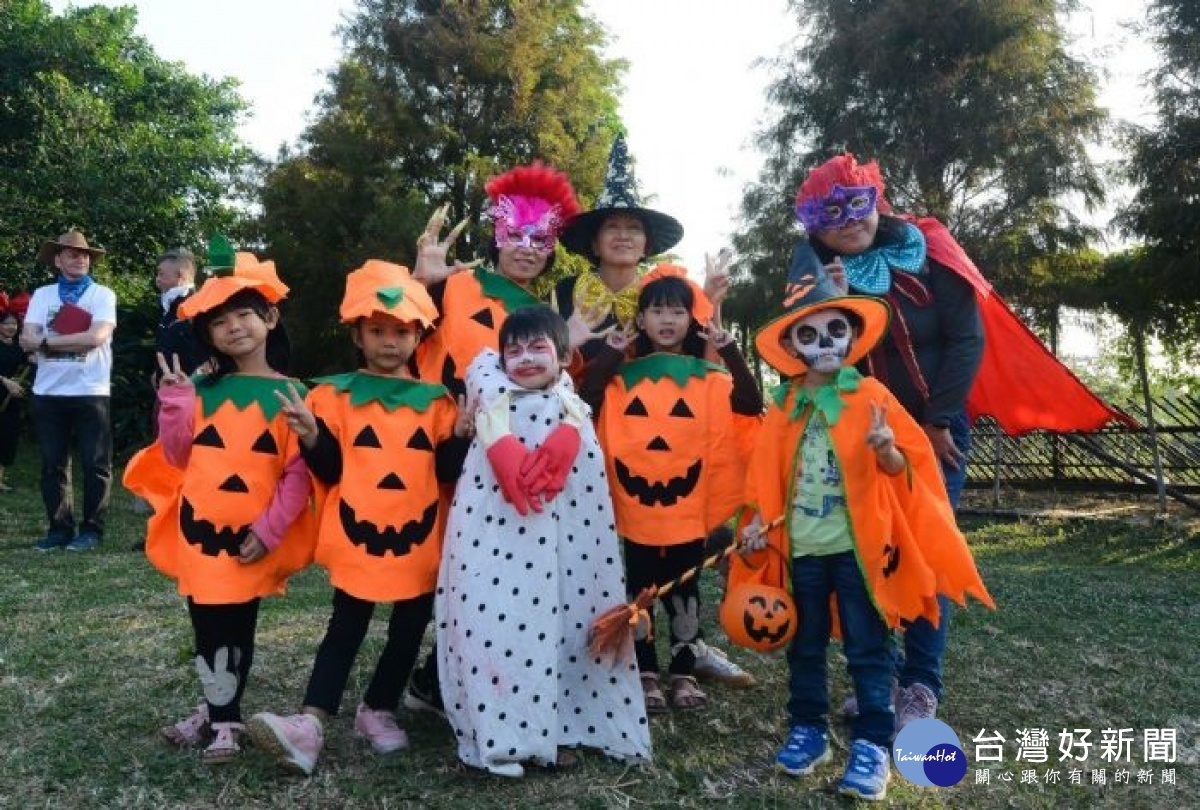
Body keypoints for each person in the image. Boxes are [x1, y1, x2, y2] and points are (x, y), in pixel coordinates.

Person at [738, 268, 994, 801]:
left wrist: (885, 450)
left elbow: (911, 469)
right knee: (802, 645)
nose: (824, 343)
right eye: (808, 334)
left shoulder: (872, 394)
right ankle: (808, 730)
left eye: (835, 331)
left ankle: (873, 742)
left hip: (859, 552)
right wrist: (758, 524)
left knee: (868, 648)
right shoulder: (783, 406)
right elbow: (763, 476)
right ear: (789, 344)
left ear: (853, 338)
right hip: (802, 550)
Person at [246, 260, 469, 775]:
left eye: (401, 332)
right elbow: (332, 469)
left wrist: (460, 435)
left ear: (418, 337)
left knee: (410, 628)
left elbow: (443, 471)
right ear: (358, 336)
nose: (389, 342)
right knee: (346, 626)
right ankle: (311, 721)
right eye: (378, 331)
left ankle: (379, 708)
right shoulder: (333, 397)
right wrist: (311, 436)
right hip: (360, 531)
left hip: (418, 534)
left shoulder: (436, 404)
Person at [790, 154, 985, 729]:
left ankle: (922, 684)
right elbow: (811, 358)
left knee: (925, 552)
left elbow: (967, 339)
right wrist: (836, 302)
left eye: (857, 204)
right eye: (832, 213)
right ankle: (885, 675)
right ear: (814, 225)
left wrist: (940, 421)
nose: (849, 221)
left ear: (875, 199)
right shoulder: (813, 273)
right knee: (868, 551)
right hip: (856, 436)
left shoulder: (929, 250)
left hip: (935, 433)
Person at [557, 136, 751, 689]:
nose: (623, 235)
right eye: (613, 227)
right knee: (618, 553)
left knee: (675, 543)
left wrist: (712, 297)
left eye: (633, 228)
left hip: (667, 440)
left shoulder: (667, 292)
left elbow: (704, 369)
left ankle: (687, 650)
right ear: (595, 239)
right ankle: (618, 650)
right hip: (589, 434)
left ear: (645, 242)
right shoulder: (566, 293)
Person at [123, 238, 316, 765]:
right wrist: (175, 401)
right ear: (208, 333)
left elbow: (296, 474)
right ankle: (220, 714)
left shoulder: (292, 395)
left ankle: (219, 712)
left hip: (251, 537)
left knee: (237, 628)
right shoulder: (201, 391)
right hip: (199, 532)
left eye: (245, 315)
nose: (234, 327)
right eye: (220, 321)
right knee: (207, 627)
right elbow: (178, 453)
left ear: (270, 318)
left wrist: (271, 530)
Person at [436, 306, 650, 777]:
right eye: (515, 351)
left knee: (557, 629)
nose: (525, 359)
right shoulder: (491, 394)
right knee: (498, 628)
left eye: (538, 348)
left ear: (563, 356)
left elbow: (586, 486)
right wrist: (499, 438)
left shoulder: (573, 408)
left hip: (560, 553)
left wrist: (571, 430)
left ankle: (556, 728)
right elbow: (480, 367)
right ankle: (500, 739)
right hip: (496, 546)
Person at [404, 161, 582, 717]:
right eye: (516, 235)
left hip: (512, 459)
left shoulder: (544, 313)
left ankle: (457, 683)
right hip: (446, 439)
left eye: (540, 238)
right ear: (496, 236)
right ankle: (415, 686)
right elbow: (399, 329)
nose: (527, 247)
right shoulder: (459, 285)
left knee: (495, 572)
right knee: (438, 568)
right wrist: (420, 283)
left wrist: (574, 343)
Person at [582, 267, 760, 714]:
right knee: (641, 589)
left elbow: (749, 404)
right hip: (641, 508)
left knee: (685, 590)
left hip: (686, 504)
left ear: (689, 320)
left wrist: (730, 352)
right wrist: (609, 355)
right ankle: (644, 672)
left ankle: (681, 671)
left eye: (676, 312)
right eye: (656, 310)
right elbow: (588, 399)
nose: (667, 320)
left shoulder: (708, 377)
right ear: (641, 320)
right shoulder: (624, 378)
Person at [20, 229, 117, 552]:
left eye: (85, 254)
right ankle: (59, 529)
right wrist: (42, 343)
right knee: (52, 464)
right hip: (48, 392)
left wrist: (46, 343)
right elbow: (25, 339)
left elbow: (95, 337)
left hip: (91, 389)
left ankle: (92, 530)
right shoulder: (43, 295)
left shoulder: (102, 295)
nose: (81, 259)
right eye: (73, 254)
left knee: (96, 464)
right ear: (57, 260)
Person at [153, 247, 206, 379]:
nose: (157, 278)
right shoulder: (169, 307)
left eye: (161, 274)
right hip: (168, 386)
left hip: (190, 389)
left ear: (180, 276)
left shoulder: (197, 307)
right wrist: (158, 373)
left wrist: (195, 380)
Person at [0, 291, 31, 491]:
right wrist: (5, 382)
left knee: (6, 438)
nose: (11, 327)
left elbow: (27, 367)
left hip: (11, 399)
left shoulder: (20, 347)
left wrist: (18, 387)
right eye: (6, 324)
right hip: (2, 391)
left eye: (14, 324)